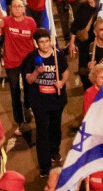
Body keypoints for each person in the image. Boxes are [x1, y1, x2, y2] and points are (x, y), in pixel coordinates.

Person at [23, 28, 69, 177]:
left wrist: (61, 82)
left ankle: (54, 151)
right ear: (37, 44)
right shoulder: (31, 58)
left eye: (47, 41)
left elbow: (65, 71)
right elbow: (29, 79)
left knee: (55, 127)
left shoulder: (59, 55)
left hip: (56, 99)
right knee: (42, 131)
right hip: (39, 101)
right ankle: (44, 165)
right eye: (41, 42)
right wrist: (37, 72)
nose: (45, 45)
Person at [0, 0, 37, 135]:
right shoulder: (7, 21)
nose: (17, 9)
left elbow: (35, 39)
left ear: (24, 9)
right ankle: (20, 121)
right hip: (11, 62)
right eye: (14, 6)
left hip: (28, 61)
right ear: (10, 8)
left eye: (20, 6)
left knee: (29, 88)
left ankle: (28, 107)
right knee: (15, 92)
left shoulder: (31, 22)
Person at [68, 0, 100, 88]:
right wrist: (72, 43)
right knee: (82, 71)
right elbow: (75, 25)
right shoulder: (82, 6)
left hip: (96, 44)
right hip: (84, 44)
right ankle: (88, 90)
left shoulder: (101, 9)